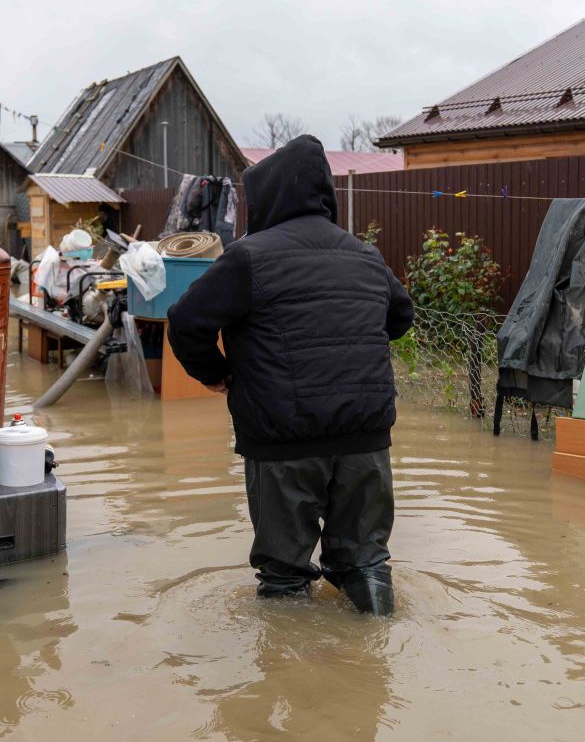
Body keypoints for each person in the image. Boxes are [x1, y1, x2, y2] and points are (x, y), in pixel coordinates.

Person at [166, 135, 414, 615]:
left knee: (283, 572)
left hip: (282, 438)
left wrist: (214, 374)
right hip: (365, 438)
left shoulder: (248, 257)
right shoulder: (365, 255)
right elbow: (400, 319)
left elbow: (185, 321)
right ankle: (375, 648)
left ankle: (289, 673)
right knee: (365, 560)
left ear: (265, 199)